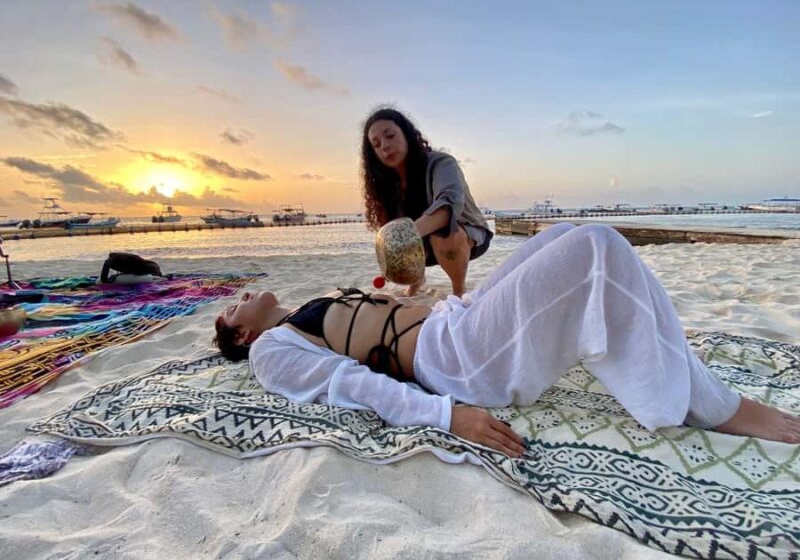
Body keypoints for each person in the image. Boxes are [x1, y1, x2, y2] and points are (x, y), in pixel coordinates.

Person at [214, 223, 800, 457]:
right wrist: (448, 416)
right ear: (241, 333)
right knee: (595, 249)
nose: (242, 296)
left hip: (458, 325)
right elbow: (348, 384)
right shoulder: (270, 350)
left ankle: (690, 383)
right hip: (457, 363)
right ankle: (714, 406)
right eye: (235, 306)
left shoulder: (302, 313)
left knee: (569, 232)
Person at [361, 107, 492, 297]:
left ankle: (458, 291)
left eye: (390, 136)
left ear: (407, 134)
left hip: (467, 236)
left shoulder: (441, 163)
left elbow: (448, 205)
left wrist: (404, 237)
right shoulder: (386, 185)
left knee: (442, 233)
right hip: (423, 247)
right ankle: (417, 281)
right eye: (376, 144)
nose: (385, 146)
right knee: (396, 231)